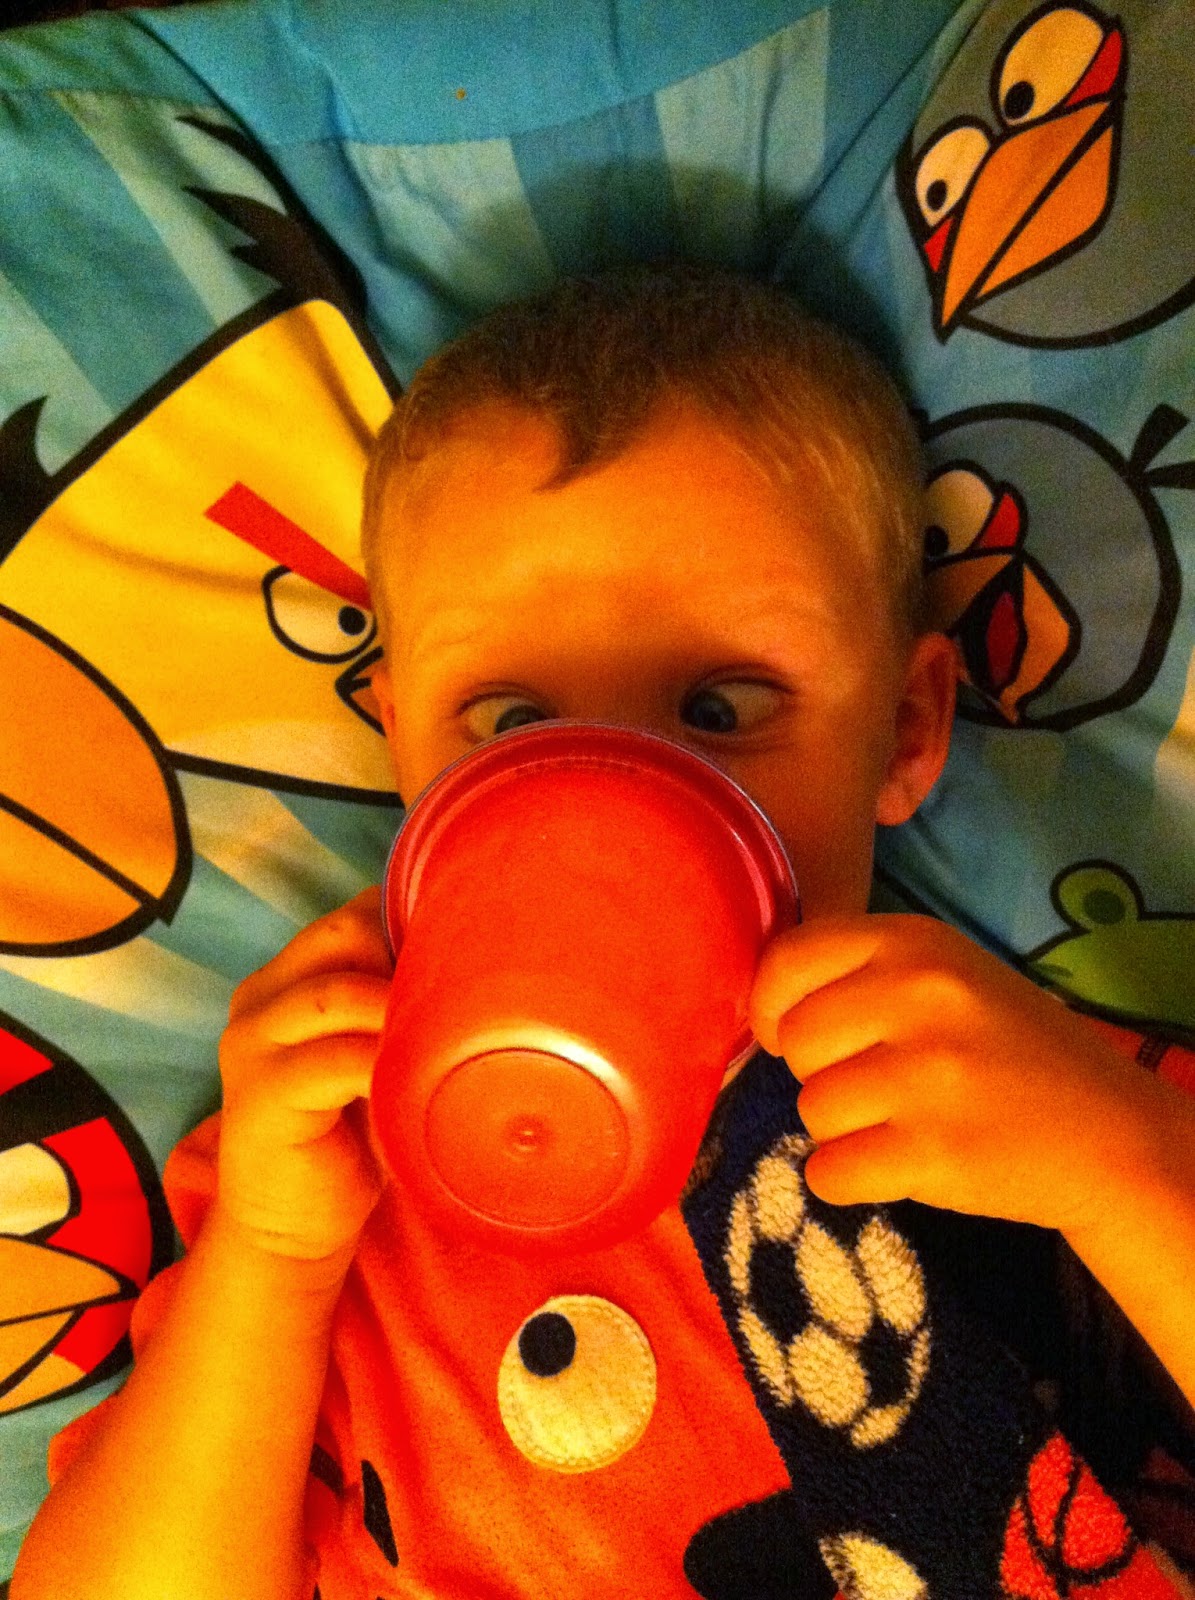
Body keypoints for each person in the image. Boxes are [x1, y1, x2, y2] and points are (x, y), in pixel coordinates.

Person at [12, 263, 1195, 1600]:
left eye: (720, 707)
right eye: (514, 723)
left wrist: (1126, 1170)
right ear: (399, 742)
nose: (611, 806)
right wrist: (272, 1260)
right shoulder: (321, 1162)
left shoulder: (1050, 1093)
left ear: (907, 726)